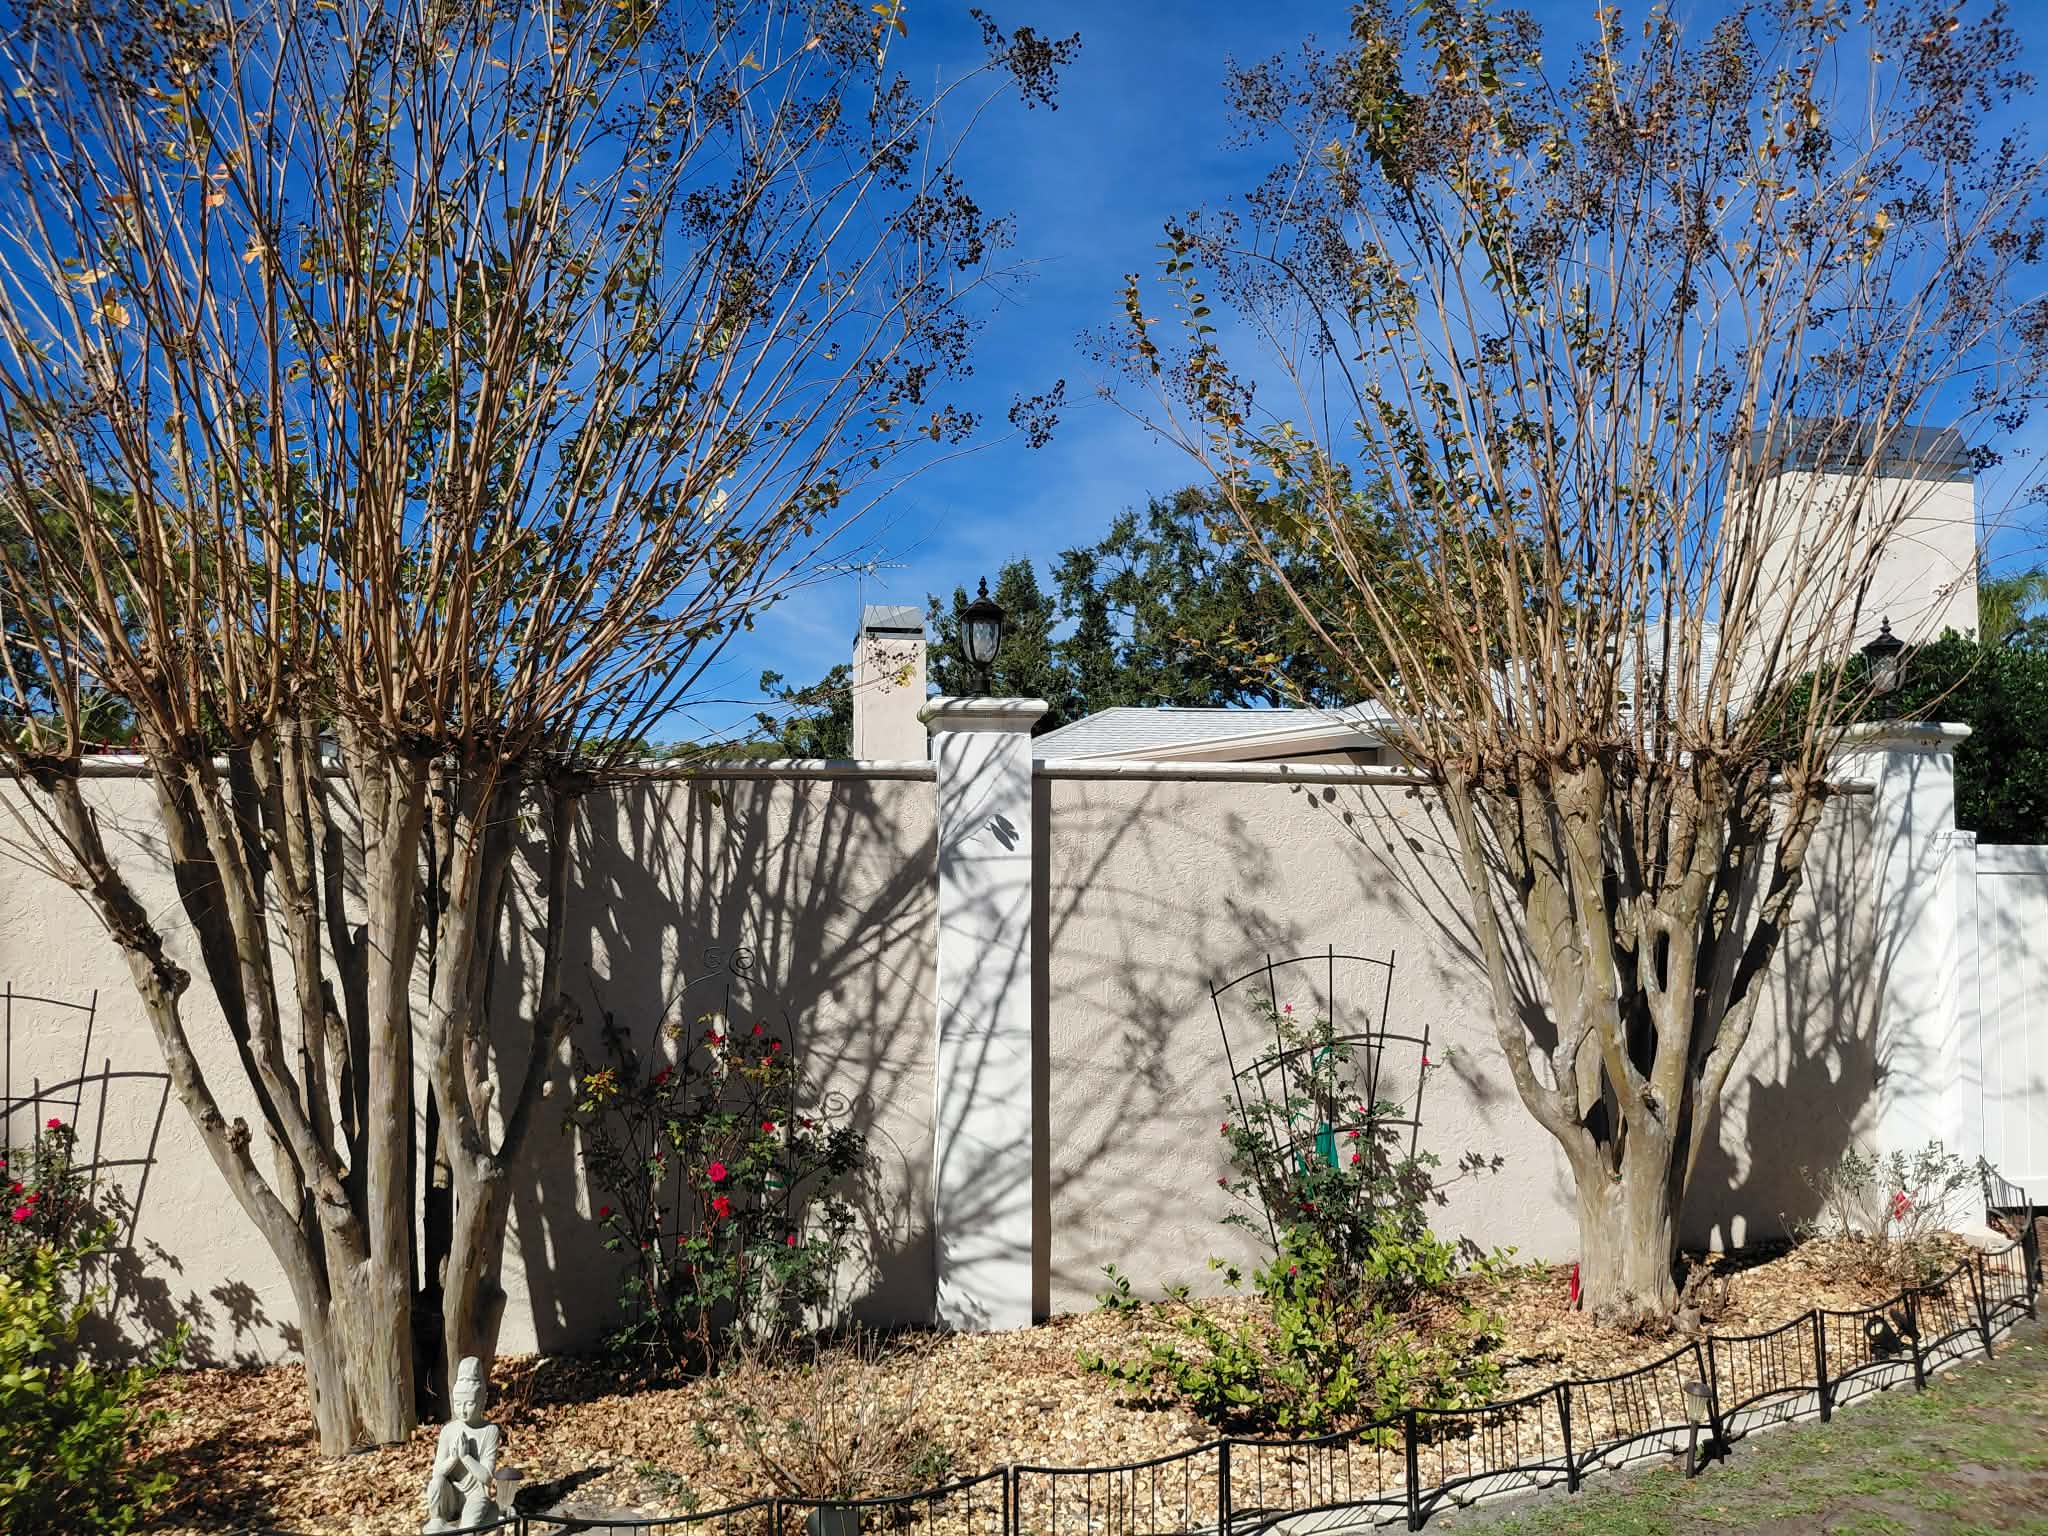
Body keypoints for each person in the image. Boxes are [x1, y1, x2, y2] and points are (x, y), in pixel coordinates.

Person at [423, 1356, 501, 1532]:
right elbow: (437, 1472)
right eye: (458, 1404)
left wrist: (465, 1457)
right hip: (451, 1493)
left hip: (476, 1493)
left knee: (468, 1528)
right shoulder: (448, 1431)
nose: (463, 1410)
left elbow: (487, 1478)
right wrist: (453, 1457)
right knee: (436, 1483)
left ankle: (472, 1523)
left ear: (482, 1401)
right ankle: (438, 1519)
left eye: (469, 1403)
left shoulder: (490, 1431)